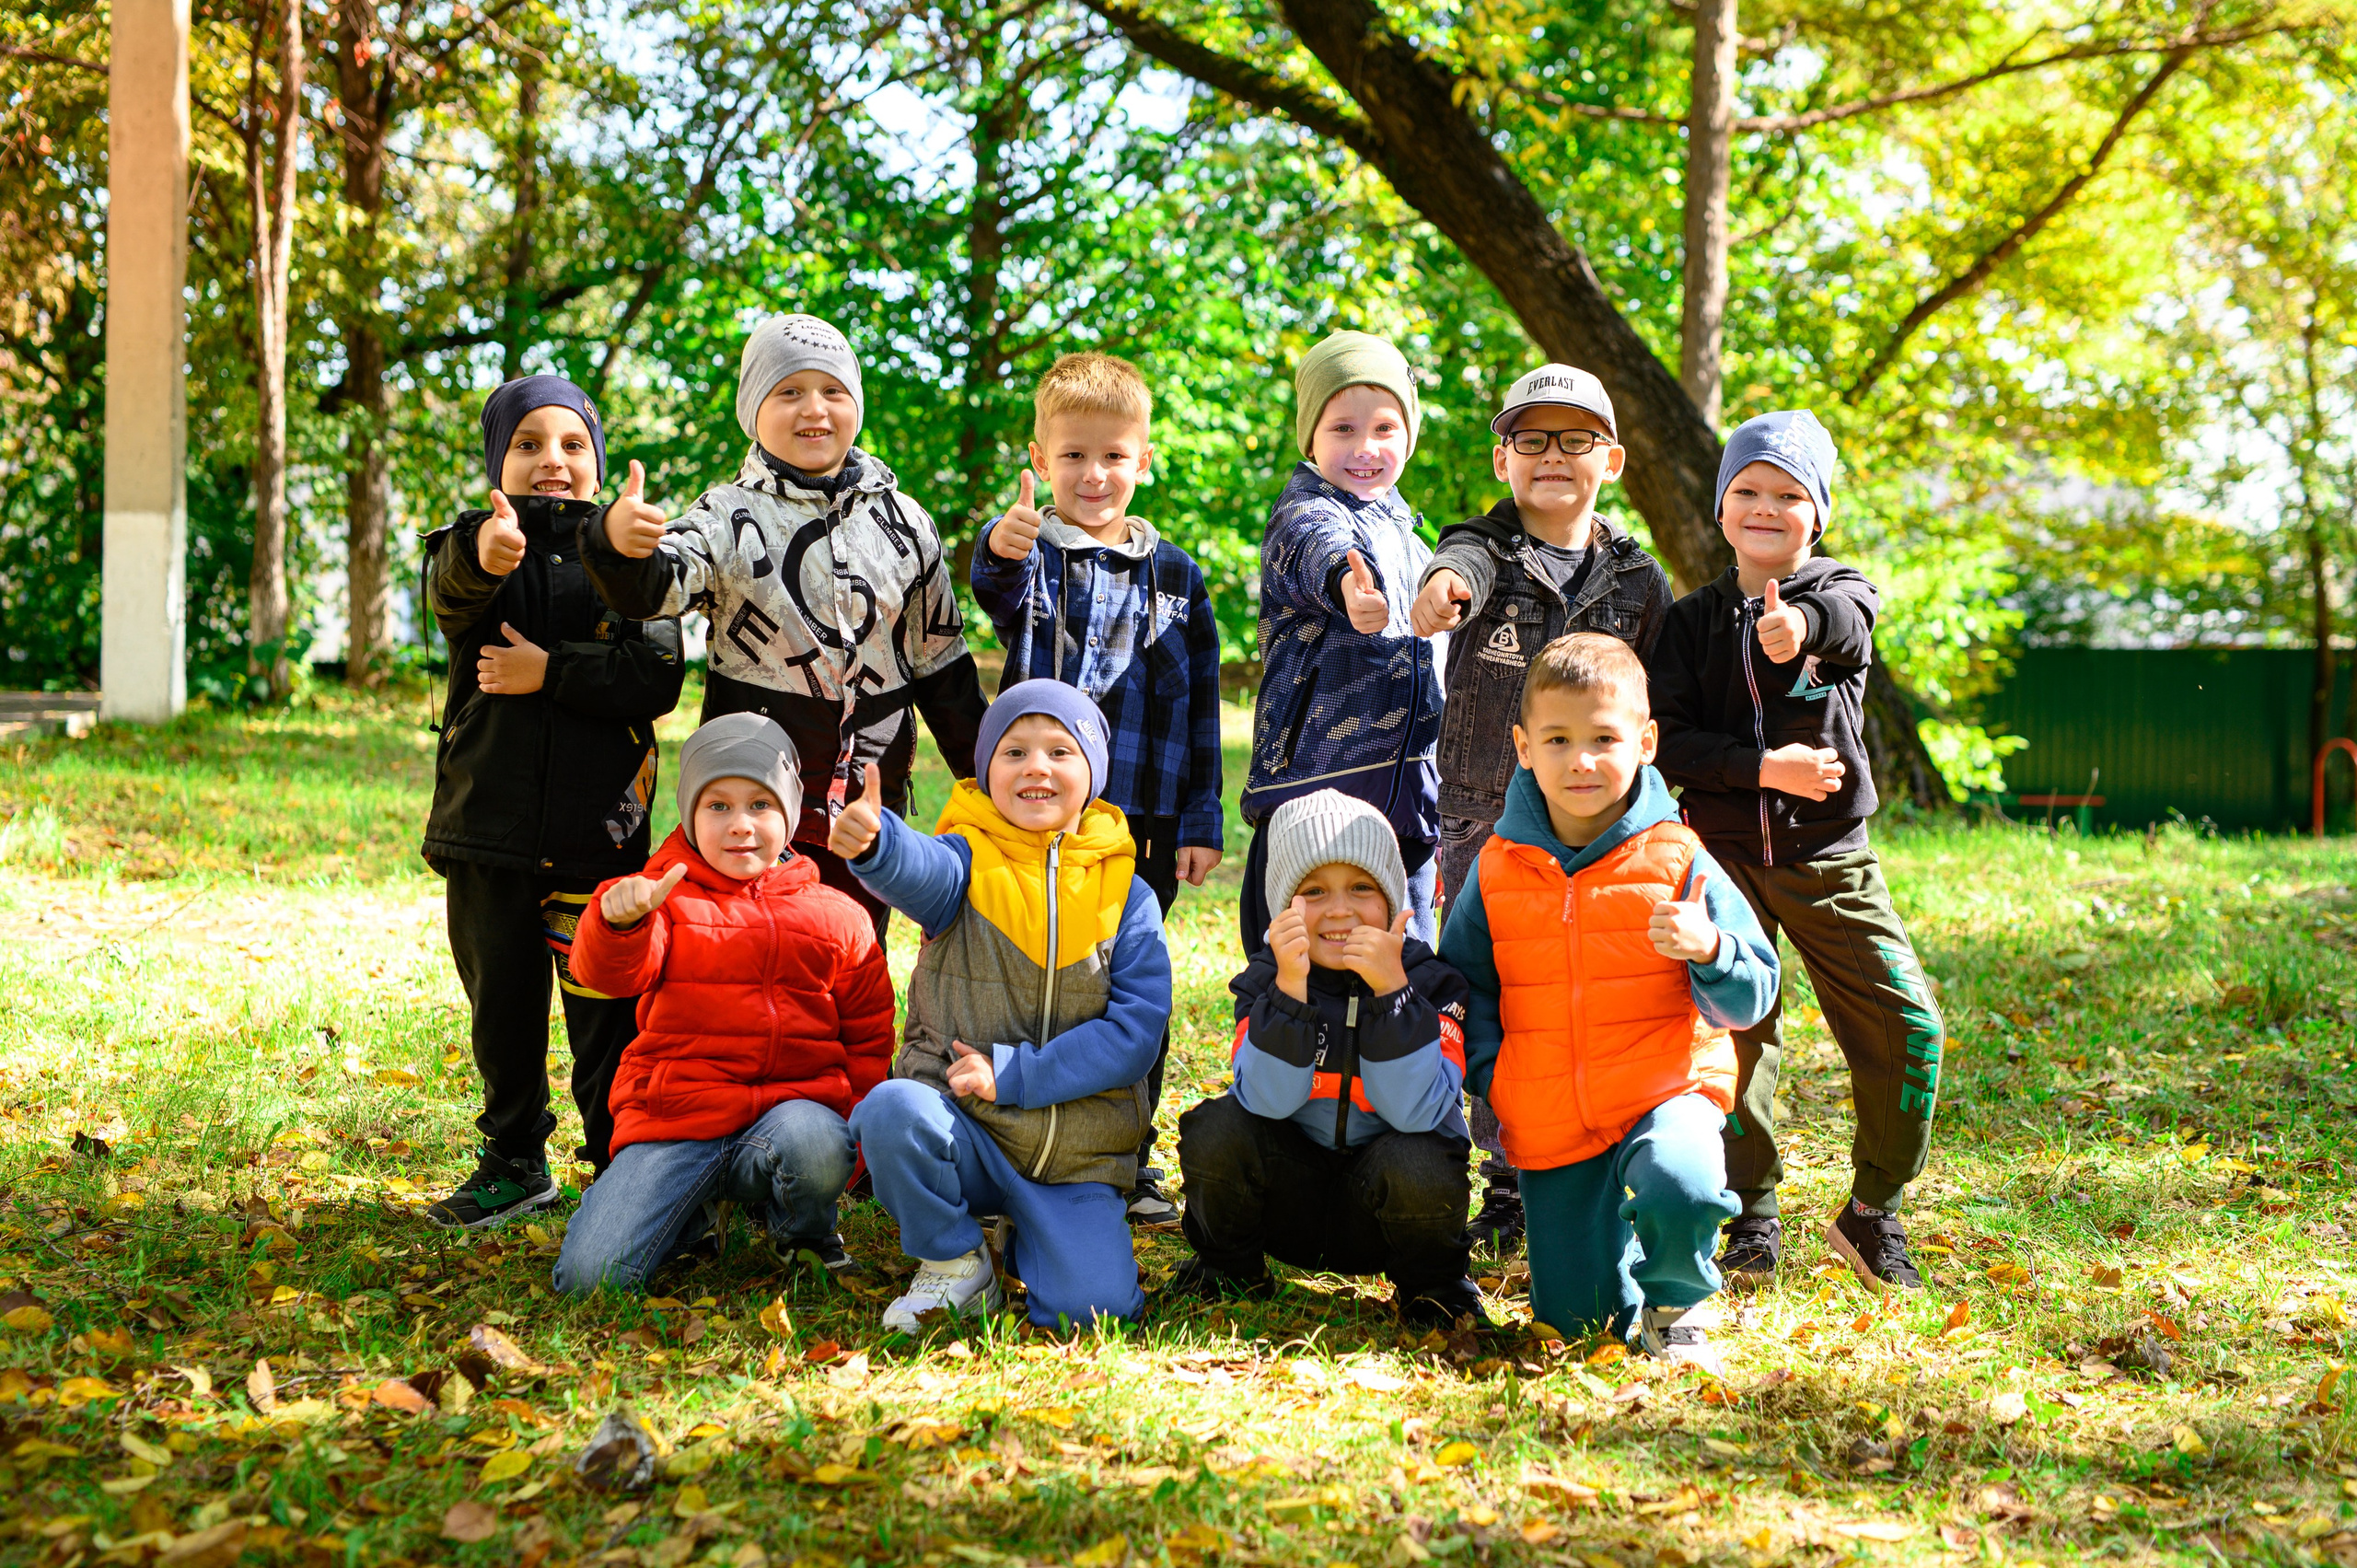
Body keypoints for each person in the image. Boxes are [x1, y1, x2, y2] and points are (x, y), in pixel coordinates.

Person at [1643, 411, 1945, 1293]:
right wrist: (1760, 766)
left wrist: (1800, 629)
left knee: (1905, 1019)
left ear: (1818, 513)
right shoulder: (1693, 621)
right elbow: (1668, 740)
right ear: (1721, 506)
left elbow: (1846, 624)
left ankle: (1873, 1210)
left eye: (1788, 493)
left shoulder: (1843, 590)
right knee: (1737, 1033)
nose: (1765, 507)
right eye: (1747, 491)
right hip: (1720, 857)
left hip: (1828, 856)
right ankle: (1749, 1214)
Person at [580, 312, 988, 939]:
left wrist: (985, 778)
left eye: (833, 391)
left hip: (870, 792)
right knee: (755, 948)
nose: (814, 409)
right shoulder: (727, 515)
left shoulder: (906, 522)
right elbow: (654, 589)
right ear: (754, 410)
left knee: (852, 946)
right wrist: (616, 544)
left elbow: (941, 664)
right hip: (759, 793)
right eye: (788, 392)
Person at [1439, 634, 1779, 1366]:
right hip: (1551, 1110)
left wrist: (1711, 949)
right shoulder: (1498, 867)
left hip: (1665, 1087)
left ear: (1646, 742)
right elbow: (1462, 986)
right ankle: (1613, 1270)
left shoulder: (1679, 858)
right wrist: (1492, 1072)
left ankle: (1677, 1300)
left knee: (1682, 1184)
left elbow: (1756, 991)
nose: (1582, 760)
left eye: (1604, 738)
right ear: (1523, 746)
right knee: (1580, 1325)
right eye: (1559, 739)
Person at [1408, 363, 1674, 1251]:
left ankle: (1598, 1154)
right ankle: (1508, 1176)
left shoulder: (1638, 579)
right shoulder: (1481, 548)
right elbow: (1459, 566)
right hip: (1488, 821)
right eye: (1532, 439)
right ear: (1502, 458)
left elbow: (1657, 704)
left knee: (1586, 993)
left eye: (1574, 439)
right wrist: (1442, 589)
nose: (1552, 456)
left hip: (1605, 830)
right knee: (1498, 994)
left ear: (1613, 458)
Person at [419, 374, 684, 1228]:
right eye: (528, 444)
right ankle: (513, 1156)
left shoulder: (635, 562)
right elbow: (452, 589)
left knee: (605, 1009)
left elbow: (657, 674)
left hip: (596, 836)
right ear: (499, 459)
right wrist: (486, 555)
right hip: (487, 830)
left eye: (572, 445)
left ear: (598, 463)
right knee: (500, 1005)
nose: (552, 462)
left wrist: (549, 673)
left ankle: (618, 1158)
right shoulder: (477, 543)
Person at [969, 352, 1223, 1228]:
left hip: (1145, 817)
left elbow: (1196, 712)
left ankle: (1127, 1151)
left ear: (1142, 461)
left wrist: (1200, 816)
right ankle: (1021, 1134)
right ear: (1040, 460)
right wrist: (998, 549)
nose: (1094, 474)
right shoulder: (1037, 554)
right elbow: (996, 589)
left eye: (1113, 455)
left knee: (1123, 989)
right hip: (1045, 820)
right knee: (1043, 976)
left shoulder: (1177, 576)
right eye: (1073, 455)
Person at [832, 681, 1170, 1332]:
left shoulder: (1128, 894)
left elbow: (1134, 1035)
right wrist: (878, 844)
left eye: (1059, 751)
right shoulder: (966, 858)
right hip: (968, 1129)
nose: (1036, 766)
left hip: (1075, 1156)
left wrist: (1015, 1073)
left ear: (1092, 772)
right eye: (1013, 751)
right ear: (986, 770)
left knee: (1094, 1314)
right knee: (892, 1110)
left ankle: (1032, 1237)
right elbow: (918, 869)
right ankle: (957, 1260)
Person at [554, 715, 896, 1291]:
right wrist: (617, 921)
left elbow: (868, 1039)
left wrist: (851, 1142)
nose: (741, 825)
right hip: (680, 1118)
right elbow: (608, 975)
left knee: (814, 1142)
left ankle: (805, 1233)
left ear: (788, 815)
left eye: (761, 805)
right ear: (691, 815)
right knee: (590, 1281)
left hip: (793, 1118)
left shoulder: (837, 915)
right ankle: (690, 1214)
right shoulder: (659, 896)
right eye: (718, 807)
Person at [1170, 790, 1486, 1329]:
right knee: (1217, 1127)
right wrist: (1290, 993)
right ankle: (1230, 1268)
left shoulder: (1431, 981)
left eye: (1361, 888)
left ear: (1393, 900)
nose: (1340, 909)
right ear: (1282, 907)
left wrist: (1393, 996)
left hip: (1386, 1212)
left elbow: (1417, 1115)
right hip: (1290, 1201)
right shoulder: (1268, 980)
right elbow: (1265, 1102)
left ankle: (1432, 1289)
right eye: (1314, 891)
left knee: (1426, 1155)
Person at [1239, 330, 1443, 953]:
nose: (1366, 448)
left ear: (1408, 434)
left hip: (1407, 794)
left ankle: (1407, 1046)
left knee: (1407, 957)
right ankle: (1274, 1039)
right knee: (1296, 951)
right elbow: (1315, 546)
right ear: (1311, 438)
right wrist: (1349, 587)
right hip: (1317, 787)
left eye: (1384, 428)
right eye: (1343, 430)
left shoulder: (1414, 538)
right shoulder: (1304, 510)